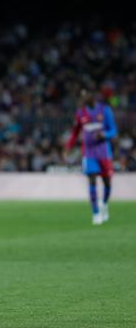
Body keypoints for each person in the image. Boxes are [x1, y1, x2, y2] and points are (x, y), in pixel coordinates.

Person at [64, 88, 118, 225]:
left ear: (92, 96)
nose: (82, 99)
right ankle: (95, 213)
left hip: (104, 152)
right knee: (92, 180)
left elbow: (113, 130)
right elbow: (75, 133)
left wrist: (104, 135)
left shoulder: (104, 110)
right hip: (88, 153)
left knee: (107, 182)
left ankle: (104, 204)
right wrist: (68, 147)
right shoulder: (80, 113)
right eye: (81, 96)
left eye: (85, 96)